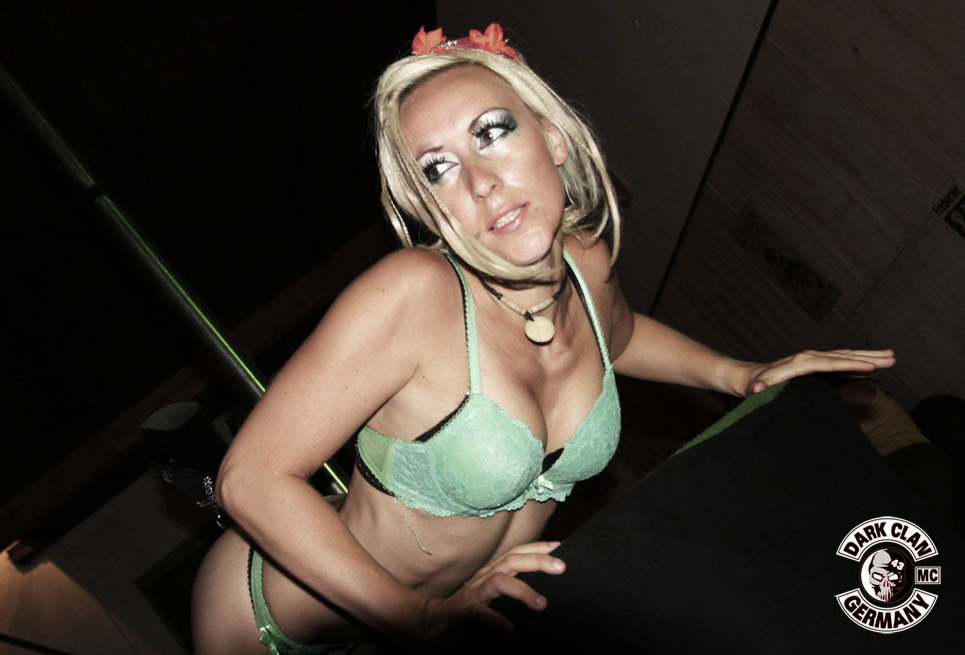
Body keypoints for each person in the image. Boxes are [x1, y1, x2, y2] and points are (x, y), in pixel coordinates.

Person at [190, 23, 895, 654]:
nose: (480, 182)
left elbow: (618, 338)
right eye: (438, 168)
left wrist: (738, 376)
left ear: (552, 137)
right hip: (268, 622)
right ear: (427, 205)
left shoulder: (586, 261)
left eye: (492, 132)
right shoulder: (414, 295)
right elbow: (250, 478)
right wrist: (419, 619)